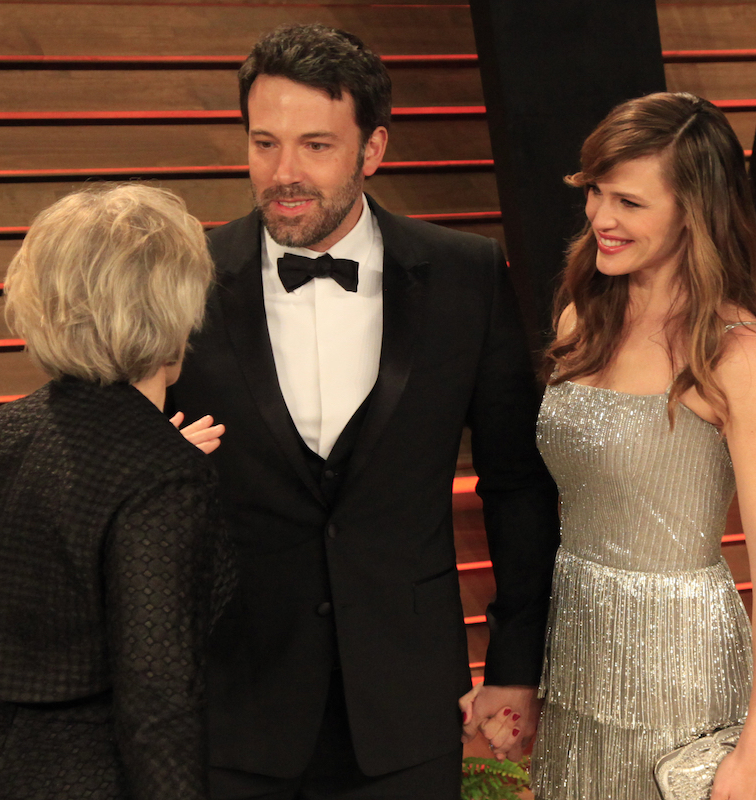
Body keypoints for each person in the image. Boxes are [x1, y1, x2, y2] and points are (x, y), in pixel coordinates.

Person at [168, 23, 561, 800]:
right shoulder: (181, 279)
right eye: (264, 143)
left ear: (372, 149)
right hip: (233, 705)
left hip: (409, 706)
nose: (284, 173)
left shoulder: (466, 276)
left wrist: (515, 663)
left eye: (316, 146)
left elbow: (516, 485)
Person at [468, 93, 756, 800]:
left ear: (694, 213)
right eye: (596, 191)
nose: (600, 217)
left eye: (629, 201)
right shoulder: (582, 317)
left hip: (681, 680)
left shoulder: (736, 355)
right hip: (577, 660)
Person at [0, 184, 233, 800]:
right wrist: (156, 469)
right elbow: (159, 703)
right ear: (174, 314)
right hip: (90, 778)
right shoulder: (164, 474)